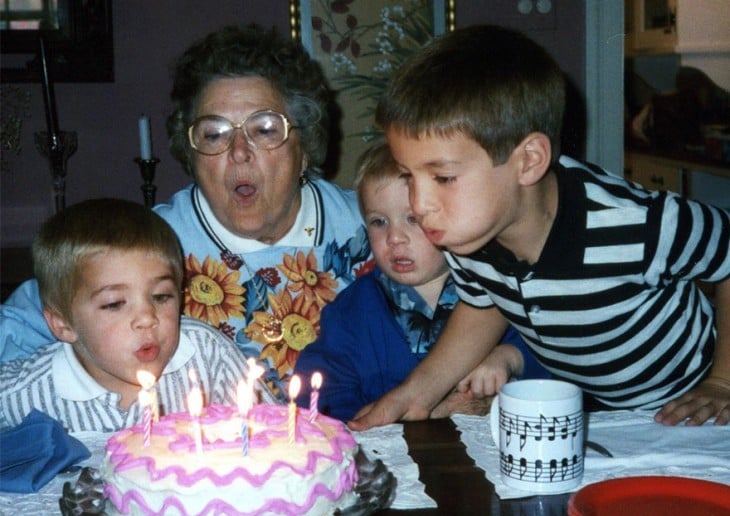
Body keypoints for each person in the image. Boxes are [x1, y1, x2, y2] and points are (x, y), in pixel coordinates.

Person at [349, 25, 730, 430]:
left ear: (528, 161)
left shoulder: (634, 224)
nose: (419, 205)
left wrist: (723, 382)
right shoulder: (468, 231)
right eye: (409, 176)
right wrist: (415, 395)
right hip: (604, 416)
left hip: (693, 407)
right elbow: (485, 304)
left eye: (442, 178)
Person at [0, 25, 371, 399]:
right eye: (214, 134)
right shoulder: (153, 243)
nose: (239, 151)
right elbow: (27, 320)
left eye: (264, 129)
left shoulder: (371, 226)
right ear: (192, 156)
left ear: (304, 144)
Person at [295, 143, 550, 421]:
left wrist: (510, 357)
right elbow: (321, 393)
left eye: (412, 220)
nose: (394, 238)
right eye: (379, 222)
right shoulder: (350, 312)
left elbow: (554, 354)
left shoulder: (492, 290)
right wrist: (354, 421)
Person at [0, 199, 276, 432]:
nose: (147, 318)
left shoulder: (208, 355)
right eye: (115, 303)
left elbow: (275, 433)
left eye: (161, 296)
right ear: (63, 324)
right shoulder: (29, 392)